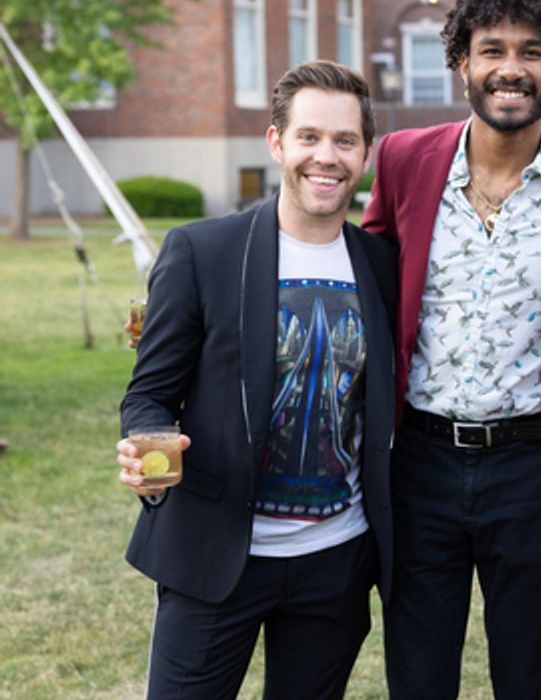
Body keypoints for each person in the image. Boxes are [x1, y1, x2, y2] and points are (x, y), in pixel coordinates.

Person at [362, 0, 541, 699]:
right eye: (492, 50)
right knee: (418, 677)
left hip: (535, 469)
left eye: (534, 51)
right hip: (419, 461)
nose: (511, 68)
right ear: (463, 62)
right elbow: (364, 279)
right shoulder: (402, 161)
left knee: (534, 676)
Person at [116, 61, 397, 698]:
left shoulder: (382, 264)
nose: (326, 156)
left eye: (345, 141)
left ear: (366, 154)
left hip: (337, 560)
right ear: (276, 142)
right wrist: (149, 450)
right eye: (308, 137)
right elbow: (151, 391)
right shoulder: (201, 252)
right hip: (217, 555)